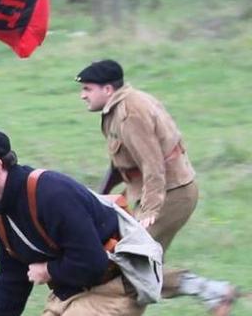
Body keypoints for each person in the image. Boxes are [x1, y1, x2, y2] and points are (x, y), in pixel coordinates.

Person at [76, 59, 238, 315]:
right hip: (147, 193)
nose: (83, 95)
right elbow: (121, 162)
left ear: (107, 89)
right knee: (129, 263)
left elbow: (153, 164)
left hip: (169, 196)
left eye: (88, 89)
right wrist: (99, 197)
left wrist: (150, 209)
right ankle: (212, 292)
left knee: (133, 265)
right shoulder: (119, 108)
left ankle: (212, 292)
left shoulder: (129, 114)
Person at [0, 128, 156, 316]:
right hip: (71, 291)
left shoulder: (52, 194)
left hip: (114, 288)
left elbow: (93, 262)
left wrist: (48, 271)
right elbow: (13, 276)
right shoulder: (2, 212)